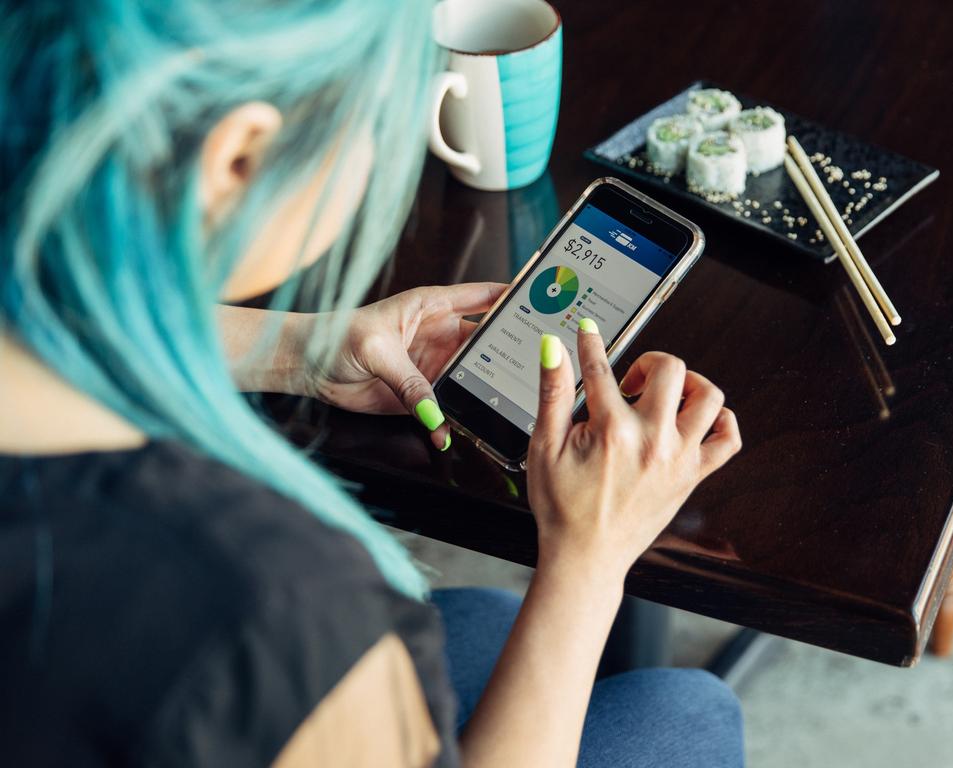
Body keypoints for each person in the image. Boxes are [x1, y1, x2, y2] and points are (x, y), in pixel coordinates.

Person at [0, 1, 744, 766]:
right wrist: (590, 557)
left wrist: (302, 350)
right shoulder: (268, 600)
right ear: (239, 156)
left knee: (489, 620)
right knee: (689, 711)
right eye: (377, 116)